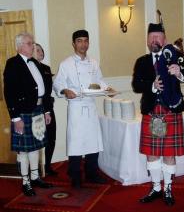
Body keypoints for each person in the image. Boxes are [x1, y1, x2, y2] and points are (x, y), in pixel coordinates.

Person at [132, 23, 184, 206]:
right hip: (153, 112)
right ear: (147, 41)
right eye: (151, 37)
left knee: (168, 153)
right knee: (152, 153)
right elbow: (136, 85)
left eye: (158, 37)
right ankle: (156, 187)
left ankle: (168, 188)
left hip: (170, 111)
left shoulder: (174, 56)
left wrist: (178, 72)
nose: (154, 40)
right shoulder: (142, 61)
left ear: (164, 40)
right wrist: (152, 86)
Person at [53, 29, 111, 188]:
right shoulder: (66, 64)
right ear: (73, 43)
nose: (83, 44)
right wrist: (65, 90)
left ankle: (92, 173)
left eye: (85, 40)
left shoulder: (94, 62)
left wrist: (108, 89)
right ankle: (75, 176)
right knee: (76, 143)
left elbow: (99, 80)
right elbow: (57, 83)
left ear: (88, 43)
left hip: (90, 106)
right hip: (76, 107)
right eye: (79, 41)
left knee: (93, 141)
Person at [3, 32, 53, 197]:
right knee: (24, 151)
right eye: (29, 43)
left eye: (32, 43)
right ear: (19, 46)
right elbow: (9, 93)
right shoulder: (13, 63)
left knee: (36, 147)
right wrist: (15, 118)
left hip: (38, 110)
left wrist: (46, 110)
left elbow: (42, 90)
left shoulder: (35, 63)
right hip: (23, 113)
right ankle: (26, 183)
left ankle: (35, 177)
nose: (33, 46)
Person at [34, 43, 58, 176]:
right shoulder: (29, 68)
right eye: (37, 50)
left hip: (48, 107)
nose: (40, 52)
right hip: (35, 109)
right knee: (36, 140)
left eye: (41, 49)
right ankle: (36, 169)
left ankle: (48, 166)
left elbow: (48, 91)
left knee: (51, 137)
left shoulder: (46, 68)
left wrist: (47, 109)